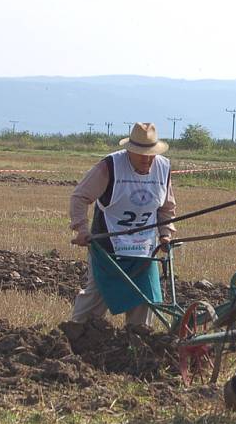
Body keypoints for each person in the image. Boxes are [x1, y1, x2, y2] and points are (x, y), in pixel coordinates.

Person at [68, 122, 176, 332]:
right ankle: (75, 337)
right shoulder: (110, 166)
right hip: (108, 247)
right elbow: (80, 197)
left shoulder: (163, 167)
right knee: (96, 297)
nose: (147, 158)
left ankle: (136, 345)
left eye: (151, 153)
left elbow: (166, 207)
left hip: (144, 249)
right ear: (129, 150)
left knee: (143, 301)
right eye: (141, 153)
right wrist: (81, 229)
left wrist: (165, 234)